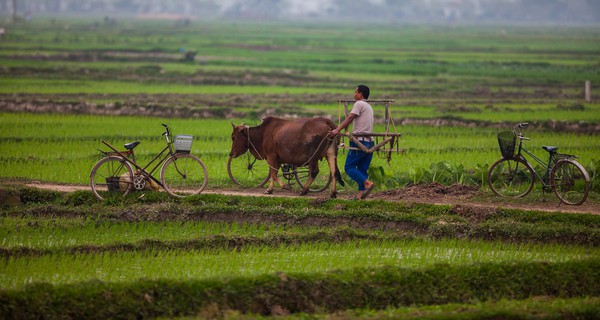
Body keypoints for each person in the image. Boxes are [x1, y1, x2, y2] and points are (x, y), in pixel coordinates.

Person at [330, 85, 375, 200]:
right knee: (361, 168)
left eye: (355, 92)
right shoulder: (369, 106)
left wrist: (337, 129)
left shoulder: (359, 104)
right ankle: (360, 195)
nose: (354, 94)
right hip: (370, 142)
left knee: (349, 167)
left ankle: (367, 183)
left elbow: (350, 118)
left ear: (360, 94)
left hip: (359, 142)